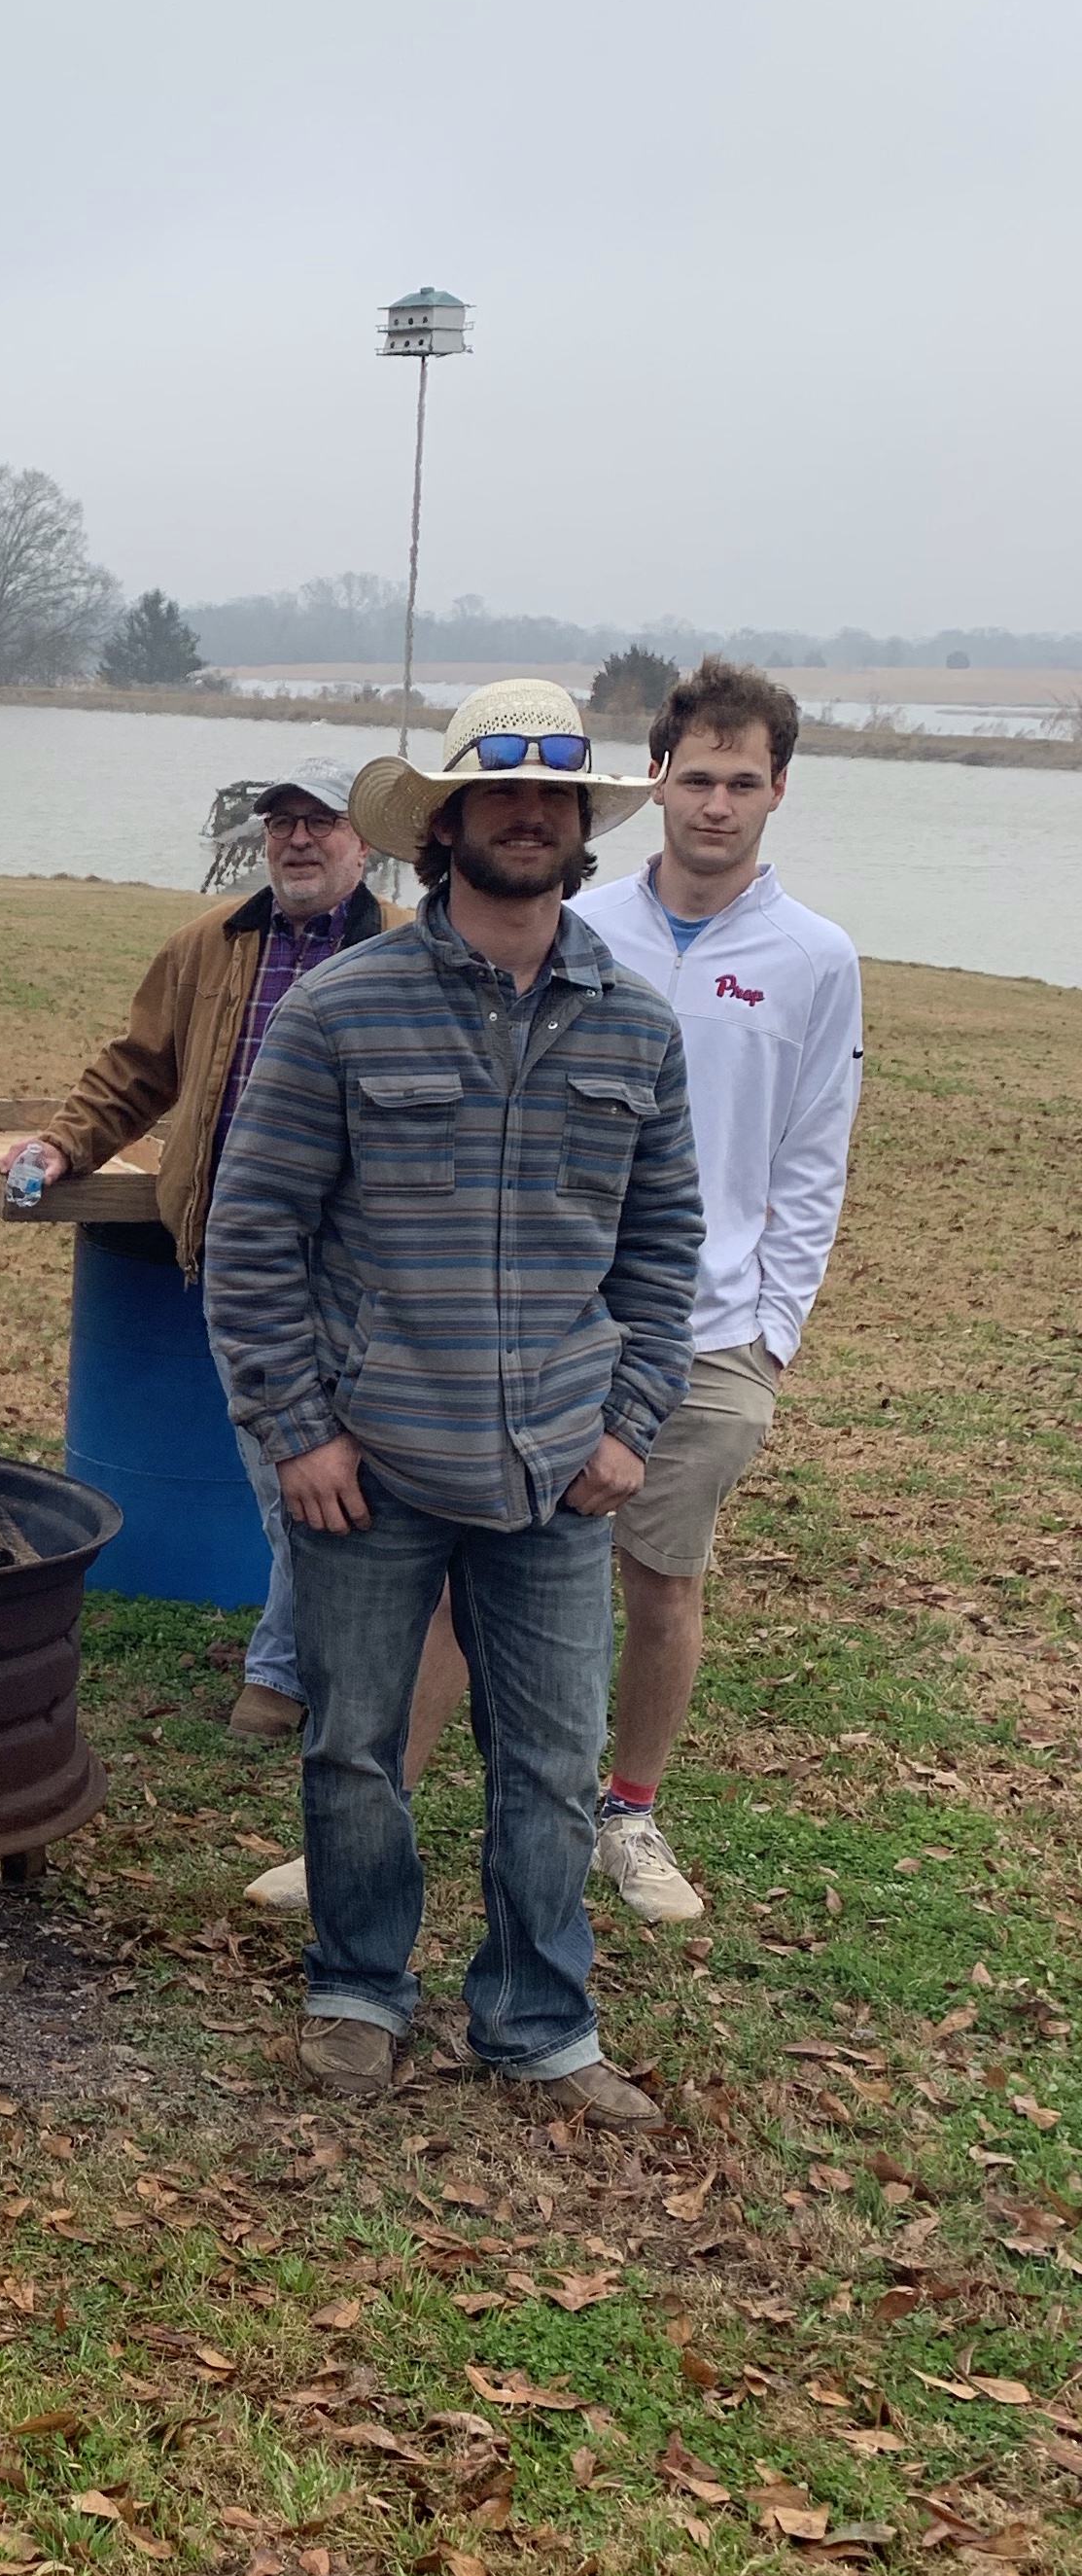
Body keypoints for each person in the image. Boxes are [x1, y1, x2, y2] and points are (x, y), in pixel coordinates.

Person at [202, 681, 700, 2122]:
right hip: (373, 1466)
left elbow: (665, 1247)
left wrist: (631, 1422)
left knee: (548, 1761)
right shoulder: (341, 1012)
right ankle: (359, 1987)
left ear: (581, 828)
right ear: (447, 823)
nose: (528, 817)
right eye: (500, 793)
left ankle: (539, 2021)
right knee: (355, 1748)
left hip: (560, 1470)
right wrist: (300, 1430)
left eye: (555, 797)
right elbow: (253, 1237)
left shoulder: (637, 1028)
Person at [3, 754, 406, 1743]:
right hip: (245, 1259)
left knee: (357, 1470)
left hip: (371, 1263)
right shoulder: (207, 946)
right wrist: (62, 1145)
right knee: (286, 1468)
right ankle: (298, 1670)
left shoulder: (408, 951)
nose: (298, 840)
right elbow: (136, 1071)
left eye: (319, 821)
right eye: (281, 823)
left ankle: (315, 1668)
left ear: (364, 840)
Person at [569, 659, 861, 1919]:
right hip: (556, 1314)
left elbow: (812, 1157)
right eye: (697, 778)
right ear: (656, 779)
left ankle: (628, 1815)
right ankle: (381, 1810)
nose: (717, 804)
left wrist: (772, 1335)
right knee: (475, 1569)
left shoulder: (815, 959)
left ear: (779, 788)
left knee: (663, 1579)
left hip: (713, 1334)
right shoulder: (584, 927)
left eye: (743, 782)